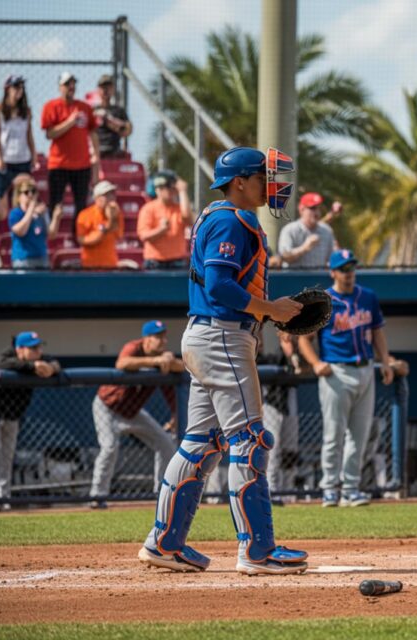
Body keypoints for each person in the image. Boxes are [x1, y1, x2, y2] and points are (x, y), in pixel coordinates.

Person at [138, 145, 308, 576]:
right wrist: (272, 309)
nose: (271, 185)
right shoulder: (231, 220)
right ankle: (257, 551)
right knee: (249, 439)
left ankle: (164, 542)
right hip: (221, 336)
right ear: (240, 182)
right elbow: (219, 287)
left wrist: (262, 318)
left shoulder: (218, 215)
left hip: (210, 335)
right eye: (262, 177)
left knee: (200, 442)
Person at [298, 249, 393, 507]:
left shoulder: (368, 297)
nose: (348, 273)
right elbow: (304, 338)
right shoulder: (324, 301)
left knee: (359, 435)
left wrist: (384, 360)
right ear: (333, 272)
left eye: (351, 268)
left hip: (365, 368)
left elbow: (377, 331)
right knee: (334, 434)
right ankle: (330, 487)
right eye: (343, 269)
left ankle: (351, 487)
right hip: (336, 372)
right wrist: (316, 363)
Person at [89, 321, 181, 509]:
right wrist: (156, 361)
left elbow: (178, 377)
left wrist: (174, 416)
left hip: (133, 412)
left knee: (166, 444)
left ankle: (161, 494)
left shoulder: (164, 360)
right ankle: (97, 497)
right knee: (109, 447)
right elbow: (122, 363)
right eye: (157, 337)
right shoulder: (134, 347)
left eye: (164, 336)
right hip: (107, 408)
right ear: (146, 339)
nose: (162, 340)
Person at [0, 332, 61, 511]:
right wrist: (32, 367)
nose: (38, 351)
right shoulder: (8, 355)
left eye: (38, 347)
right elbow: (0, 365)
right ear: (20, 349)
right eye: (33, 348)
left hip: (13, 415)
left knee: (7, 459)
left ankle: (4, 499)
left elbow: (56, 364)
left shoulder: (42, 358)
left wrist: (51, 368)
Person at [41, 72, 99, 234]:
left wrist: (96, 157)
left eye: (73, 84)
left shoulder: (85, 108)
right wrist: (69, 122)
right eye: (67, 84)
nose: (71, 87)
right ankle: (53, 235)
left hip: (82, 164)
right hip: (59, 164)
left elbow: (93, 132)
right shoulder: (51, 106)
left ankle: (78, 236)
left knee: (81, 204)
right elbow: (50, 133)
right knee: (56, 202)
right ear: (60, 87)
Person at [258, 331, 307, 504]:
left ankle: (289, 491)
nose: (290, 338)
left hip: (289, 404)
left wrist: (293, 350)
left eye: (293, 334)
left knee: (290, 452)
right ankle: (271, 490)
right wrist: (285, 346)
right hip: (272, 405)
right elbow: (263, 358)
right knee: (273, 449)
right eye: (286, 334)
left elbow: (299, 367)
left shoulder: (299, 354)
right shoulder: (273, 358)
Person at [0, 75, 38, 220]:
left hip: (23, 159)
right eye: (16, 87)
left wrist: (34, 155)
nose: (19, 90)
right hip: (6, 159)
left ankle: (21, 233)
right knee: (1, 205)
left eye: (21, 87)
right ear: (7, 89)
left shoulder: (26, 111)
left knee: (23, 199)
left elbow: (29, 134)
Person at [137, 171, 193, 269]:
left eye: (171, 188)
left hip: (177, 262)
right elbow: (144, 236)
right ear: (158, 190)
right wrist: (161, 230)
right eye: (165, 188)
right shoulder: (148, 209)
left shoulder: (179, 208)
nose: (170, 191)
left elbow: (188, 220)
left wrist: (183, 191)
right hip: (155, 263)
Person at [9, 174, 62, 269]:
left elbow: (51, 235)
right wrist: (32, 210)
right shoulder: (16, 213)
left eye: (33, 191)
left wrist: (56, 218)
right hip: (23, 259)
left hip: (41, 257)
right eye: (26, 192)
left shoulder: (41, 213)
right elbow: (21, 232)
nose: (30, 195)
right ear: (19, 196)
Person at [276, 192, 339, 269]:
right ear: (301, 209)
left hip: (318, 278)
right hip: (294, 278)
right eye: (313, 208)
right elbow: (284, 257)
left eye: (319, 208)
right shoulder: (290, 230)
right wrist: (305, 248)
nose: (317, 212)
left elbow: (332, 260)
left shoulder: (326, 230)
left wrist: (337, 254)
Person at [75, 180, 123, 269]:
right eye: (107, 195)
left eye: (112, 194)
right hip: (90, 265)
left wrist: (112, 218)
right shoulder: (85, 214)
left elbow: (119, 235)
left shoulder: (116, 213)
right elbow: (83, 240)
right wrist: (103, 230)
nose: (111, 198)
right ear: (97, 198)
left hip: (110, 264)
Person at [89, 74, 132, 159]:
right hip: (95, 151)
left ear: (113, 90)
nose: (105, 90)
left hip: (114, 152)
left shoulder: (119, 111)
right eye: (103, 87)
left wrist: (110, 120)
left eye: (108, 87)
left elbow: (128, 130)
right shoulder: (91, 110)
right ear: (98, 90)